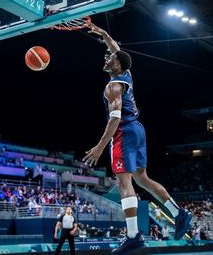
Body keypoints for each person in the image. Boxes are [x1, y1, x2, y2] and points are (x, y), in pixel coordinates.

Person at [82, 23, 193, 254]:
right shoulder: (126, 74)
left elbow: (113, 120)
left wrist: (100, 147)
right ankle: (178, 213)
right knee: (142, 178)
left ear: (118, 64)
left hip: (123, 130)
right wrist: (102, 34)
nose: (106, 59)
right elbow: (116, 50)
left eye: (110, 59)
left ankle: (133, 236)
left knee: (124, 183)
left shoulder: (113, 86)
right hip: (138, 129)